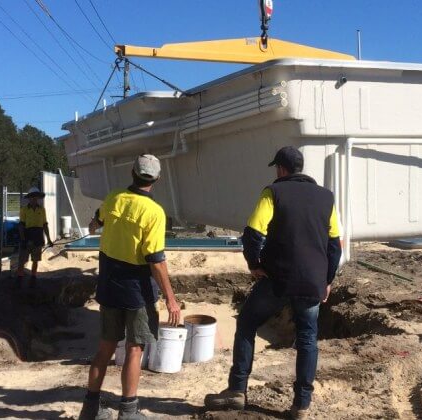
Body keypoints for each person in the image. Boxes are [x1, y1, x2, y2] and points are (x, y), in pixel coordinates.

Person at [205, 146, 342, 419]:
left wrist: (254, 264)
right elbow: (335, 245)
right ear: (300, 168)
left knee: (246, 324)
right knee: (307, 338)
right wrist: (326, 280)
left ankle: (237, 390)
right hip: (312, 282)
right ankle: (301, 404)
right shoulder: (326, 198)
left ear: (281, 168)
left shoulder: (273, 192)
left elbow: (253, 233)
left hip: (278, 277)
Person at [79, 154, 182, 420]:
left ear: (132, 174)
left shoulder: (114, 197)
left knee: (105, 348)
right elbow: (156, 260)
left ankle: (90, 409)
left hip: (109, 285)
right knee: (135, 350)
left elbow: (97, 221)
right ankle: (128, 411)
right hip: (137, 290)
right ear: (156, 179)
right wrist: (171, 298)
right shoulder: (154, 212)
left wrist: (94, 225)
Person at [17, 187, 53, 285]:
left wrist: (49, 239)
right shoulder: (24, 210)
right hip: (27, 237)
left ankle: (33, 277)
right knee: (22, 260)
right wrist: (23, 239)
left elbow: (45, 224)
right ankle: (19, 278)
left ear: (38, 198)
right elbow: (21, 225)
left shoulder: (42, 210)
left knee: (35, 260)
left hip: (38, 237)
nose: (34, 199)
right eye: (32, 197)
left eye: (36, 197)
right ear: (29, 198)